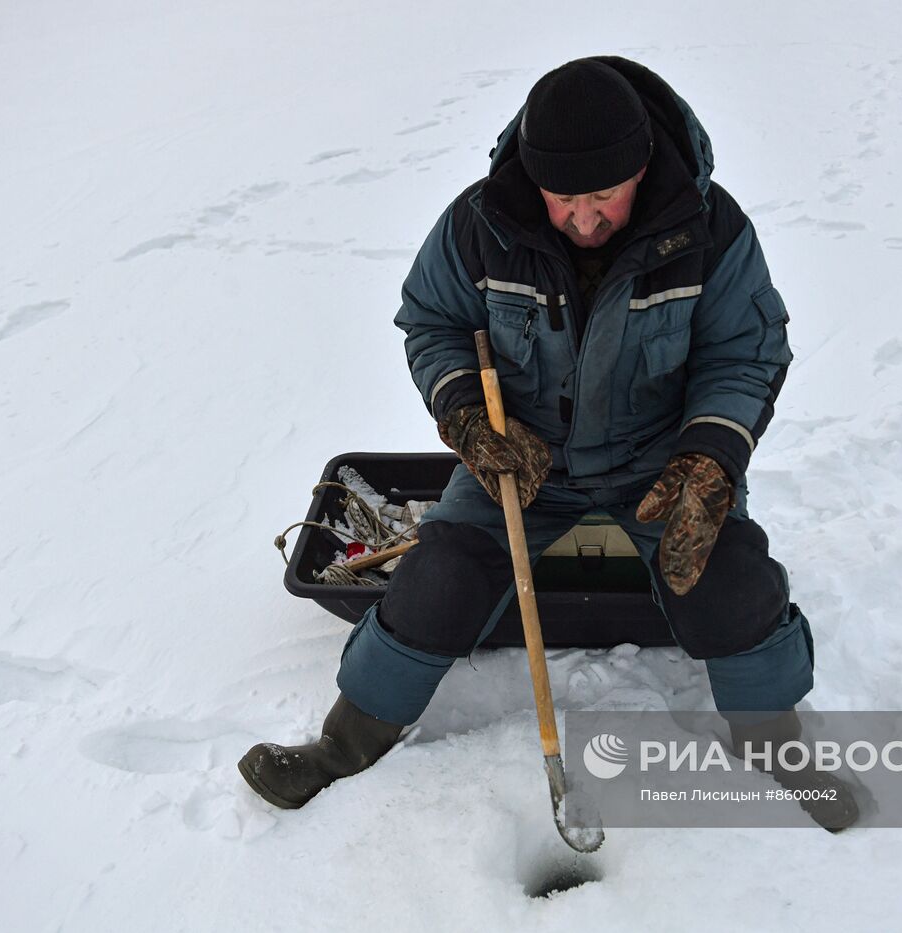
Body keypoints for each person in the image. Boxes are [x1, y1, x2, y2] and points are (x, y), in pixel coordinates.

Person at [239, 56, 858, 831]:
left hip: (660, 464)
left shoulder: (709, 230)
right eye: (564, 199)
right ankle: (340, 747)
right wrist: (465, 410)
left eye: (604, 196)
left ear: (641, 168)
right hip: (522, 463)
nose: (585, 219)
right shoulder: (483, 223)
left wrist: (711, 456)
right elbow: (430, 319)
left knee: (729, 581)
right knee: (439, 579)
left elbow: (747, 351)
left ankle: (780, 745)